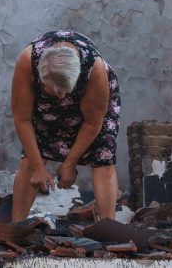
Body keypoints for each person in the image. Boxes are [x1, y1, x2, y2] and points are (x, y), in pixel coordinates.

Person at [10, 30, 121, 222]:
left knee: (103, 157)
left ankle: (108, 228)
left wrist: (70, 163)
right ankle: (15, 227)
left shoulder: (94, 70)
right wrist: (38, 168)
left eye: (64, 91)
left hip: (89, 110)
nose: (61, 97)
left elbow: (93, 122)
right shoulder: (27, 62)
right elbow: (22, 119)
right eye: (53, 91)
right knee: (29, 162)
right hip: (44, 110)